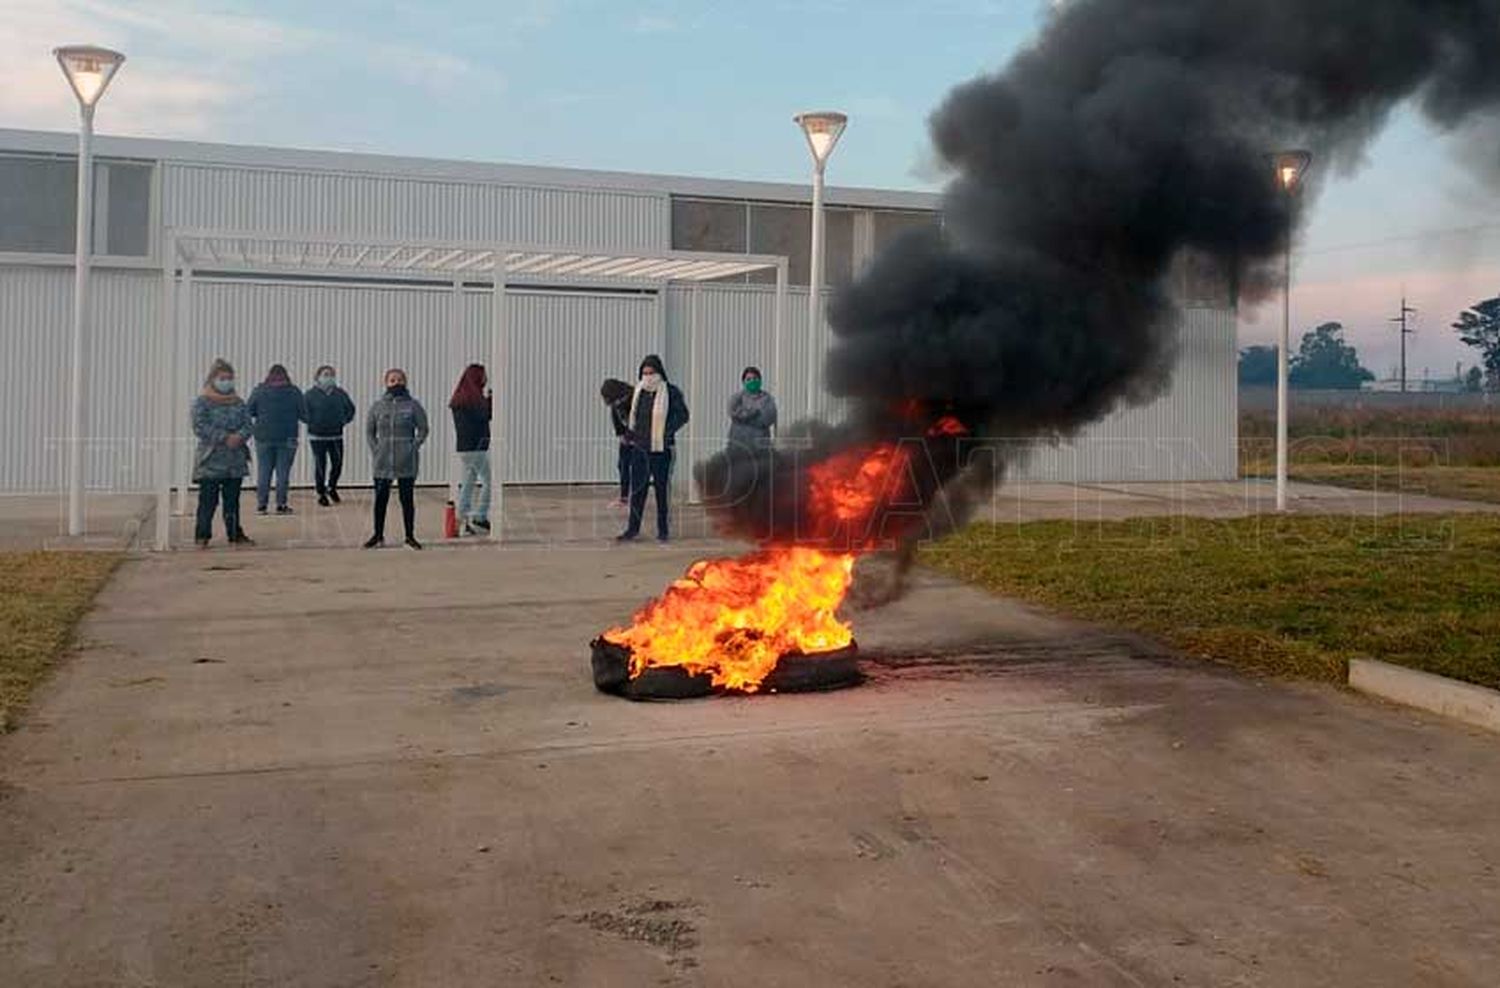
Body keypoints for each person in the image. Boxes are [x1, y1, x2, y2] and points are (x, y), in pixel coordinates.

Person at [618, 354, 689, 543]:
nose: (648, 376)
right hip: (639, 449)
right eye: (645, 373)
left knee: (661, 491)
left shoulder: (671, 392)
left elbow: (683, 415)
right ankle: (632, 529)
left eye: (652, 372)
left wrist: (666, 430)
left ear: (660, 373)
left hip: (661, 450)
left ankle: (663, 530)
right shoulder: (638, 392)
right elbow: (627, 415)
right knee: (637, 491)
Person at [190, 358, 255, 548]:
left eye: (229, 378)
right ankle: (202, 536)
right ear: (212, 380)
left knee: (232, 502)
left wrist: (240, 437)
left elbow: (248, 425)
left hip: (234, 462)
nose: (226, 382)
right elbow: (199, 426)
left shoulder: (239, 402)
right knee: (208, 502)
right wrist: (224, 437)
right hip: (210, 461)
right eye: (222, 378)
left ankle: (235, 534)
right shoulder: (203, 402)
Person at [365, 368, 429, 549]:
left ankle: (409, 537)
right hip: (383, 460)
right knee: (380, 499)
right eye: (392, 380)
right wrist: (376, 449)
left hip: (406, 460)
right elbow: (370, 432)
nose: (396, 383)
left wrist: (413, 446)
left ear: (405, 383)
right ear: (386, 383)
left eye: (400, 380)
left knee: (406, 499)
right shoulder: (377, 406)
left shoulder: (413, 405)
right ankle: (378, 535)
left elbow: (423, 429)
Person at [246, 363, 305, 514]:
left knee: (264, 471)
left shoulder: (259, 391)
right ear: (286, 376)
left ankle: (262, 505)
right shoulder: (294, 392)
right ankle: (281, 504)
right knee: (283, 472)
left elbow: (249, 411)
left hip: (263, 437)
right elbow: (304, 414)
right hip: (288, 437)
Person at [304, 364, 356, 507]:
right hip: (317, 437)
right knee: (320, 465)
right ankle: (321, 493)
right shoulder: (310, 394)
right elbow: (303, 412)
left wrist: (343, 421)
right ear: (318, 377)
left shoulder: (340, 393)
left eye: (331, 374)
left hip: (336, 436)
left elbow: (350, 409)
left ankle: (332, 487)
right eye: (325, 374)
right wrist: (312, 422)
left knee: (337, 464)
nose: (329, 377)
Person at [449, 363, 492, 535]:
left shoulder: (459, 399)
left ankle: (461, 518)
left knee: (468, 483)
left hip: (464, 448)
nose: (485, 380)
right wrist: (491, 401)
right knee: (490, 482)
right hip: (476, 448)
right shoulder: (473, 401)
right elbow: (484, 416)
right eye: (483, 376)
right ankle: (480, 517)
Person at [600, 377, 634, 507]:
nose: (614, 404)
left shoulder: (634, 397)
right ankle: (624, 498)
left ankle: (637, 497)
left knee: (639, 468)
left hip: (640, 437)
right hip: (627, 437)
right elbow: (616, 421)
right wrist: (621, 435)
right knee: (622, 465)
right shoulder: (615, 404)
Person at [727, 365, 778, 450]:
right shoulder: (737, 398)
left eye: (755, 378)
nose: (752, 381)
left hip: (760, 446)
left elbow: (768, 418)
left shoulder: (767, 398)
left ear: (760, 380)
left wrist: (745, 417)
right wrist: (753, 412)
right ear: (744, 382)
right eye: (749, 379)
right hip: (738, 445)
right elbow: (733, 412)